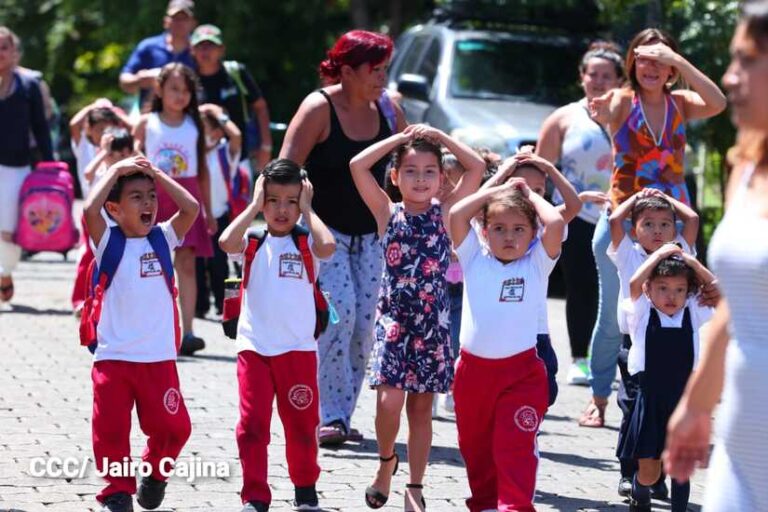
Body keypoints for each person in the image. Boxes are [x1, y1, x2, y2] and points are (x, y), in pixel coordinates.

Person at [583, 27, 726, 433]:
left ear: (671, 68)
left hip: (673, 224)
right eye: (643, 59)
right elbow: (601, 108)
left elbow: (718, 102)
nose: (651, 67)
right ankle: (598, 398)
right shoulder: (622, 100)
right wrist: (600, 112)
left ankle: (671, 398)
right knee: (614, 317)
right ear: (632, 63)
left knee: (680, 309)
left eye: (659, 60)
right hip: (624, 223)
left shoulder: (681, 103)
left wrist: (677, 60)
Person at [279, 30, 406, 446]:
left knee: (366, 325)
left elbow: (410, 162)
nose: (382, 77)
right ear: (347, 71)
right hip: (325, 233)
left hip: (373, 235)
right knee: (340, 317)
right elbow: (284, 171)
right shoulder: (318, 108)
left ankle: (341, 415)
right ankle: (327, 414)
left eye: (385, 69)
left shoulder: (389, 108)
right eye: (375, 70)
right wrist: (285, 230)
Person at [665, 3, 768, 510]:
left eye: (746, 59)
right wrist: (695, 405)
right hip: (738, 451)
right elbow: (735, 309)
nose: (730, 76)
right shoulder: (744, 168)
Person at [350, 125, 484, 511]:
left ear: (441, 179)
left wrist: (441, 137)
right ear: (395, 176)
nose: (420, 179)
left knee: (421, 410)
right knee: (388, 402)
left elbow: (475, 167)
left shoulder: (447, 213)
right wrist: (399, 139)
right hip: (393, 324)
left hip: (432, 327)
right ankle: (386, 461)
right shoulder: (386, 212)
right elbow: (358, 165)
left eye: (429, 172)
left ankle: (415, 485)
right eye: (410, 171)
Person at [218, 160, 336, 512]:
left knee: (302, 425)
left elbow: (328, 246)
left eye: (291, 201)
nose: (281, 209)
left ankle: (305, 489)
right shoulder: (253, 240)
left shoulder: (306, 242)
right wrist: (253, 206)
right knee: (252, 425)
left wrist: (309, 209)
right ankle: (255, 495)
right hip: (253, 348)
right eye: (273, 200)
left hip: (298, 350)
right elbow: (225, 241)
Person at [83, 155, 198, 512]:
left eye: (151, 196)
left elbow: (191, 208)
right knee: (110, 432)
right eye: (137, 197)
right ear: (114, 209)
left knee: (174, 428)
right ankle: (116, 492)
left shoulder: (163, 238)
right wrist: (115, 170)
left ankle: (155, 474)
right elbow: (89, 210)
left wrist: (158, 174)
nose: (148, 203)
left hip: (158, 359)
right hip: (113, 358)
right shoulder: (108, 241)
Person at [449, 176, 565, 512]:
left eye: (519, 229)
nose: (509, 236)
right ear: (485, 232)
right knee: (475, 446)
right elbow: (457, 214)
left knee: (514, 444)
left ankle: (514, 506)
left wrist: (528, 194)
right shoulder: (473, 258)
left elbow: (555, 222)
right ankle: (486, 504)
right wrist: (496, 190)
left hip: (522, 376)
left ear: (533, 233)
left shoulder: (537, 265)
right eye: (499, 228)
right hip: (472, 375)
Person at [536, 42, 625, 387]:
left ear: (619, 80)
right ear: (582, 77)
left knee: (620, 289)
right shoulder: (563, 118)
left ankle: (620, 360)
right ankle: (580, 359)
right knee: (582, 286)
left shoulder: (630, 116)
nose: (599, 81)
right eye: (593, 74)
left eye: (607, 76)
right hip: (575, 215)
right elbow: (540, 169)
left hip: (619, 214)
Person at [608, 187, 701, 496]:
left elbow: (692, 218)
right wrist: (636, 197)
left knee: (666, 414)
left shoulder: (679, 253)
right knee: (633, 410)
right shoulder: (629, 254)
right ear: (635, 229)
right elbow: (614, 220)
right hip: (635, 345)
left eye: (665, 224)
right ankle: (628, 472)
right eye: (648, 223)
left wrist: (665, 197)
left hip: (671, 347)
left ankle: (654, 476)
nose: (657, 230)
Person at [483, 149, 582, 408]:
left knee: (541, 394)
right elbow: (474, 204)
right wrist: (503, 173)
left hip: (534, 330)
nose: (528, 195)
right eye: (521, 187)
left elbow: (574, 205)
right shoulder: (490, 223)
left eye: (538, 190)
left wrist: (549, 168)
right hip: (493, 327)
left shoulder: (544, 226)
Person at [618, 245, 714, 512]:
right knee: (649, 472)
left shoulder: (692, 313)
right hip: (651, 402)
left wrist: (690, 262)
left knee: (681, 468)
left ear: (688, 292)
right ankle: (640, 492)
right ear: (649, 289)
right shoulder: (642, 313)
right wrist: (659, 255)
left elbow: (715, 288)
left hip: (683, 403)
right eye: (663, 288)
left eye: (679, 290)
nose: (671, 296)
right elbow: (634, 283)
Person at [134, 62, 216, 355]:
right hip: (153, 195)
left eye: (186, 90)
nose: (180, 95)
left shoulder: (195, 124)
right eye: (174, 89)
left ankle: (188, 331)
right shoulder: (146, 123)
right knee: (148, 263)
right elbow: (132, 159)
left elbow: (203, 169)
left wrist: (207, 210)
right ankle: (148, 328)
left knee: (187, 265)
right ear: (159, 89)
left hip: (186, 196)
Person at [0, 26, 52, 303]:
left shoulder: (29, 85)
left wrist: (50, 165)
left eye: (4, 47)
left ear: (14, 52)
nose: (0, 53)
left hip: (16, 166)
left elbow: (41, 128)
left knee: (9, 228)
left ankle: (5, 272)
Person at [190, 24, 273, 170]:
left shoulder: (236, 73)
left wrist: (266, 146)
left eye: (211, 45)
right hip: (200, 159)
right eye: (200, 46)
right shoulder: (188, 80)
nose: (205, 51)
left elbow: (260, 107)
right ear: (192, 50)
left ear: (222, 49)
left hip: (239, 158)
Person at [72, 128, 136, 315]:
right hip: (103, 231)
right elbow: (87, 173)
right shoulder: (102, 173)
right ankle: (93, 304)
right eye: (118, 153)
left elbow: (148, 165)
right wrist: (104, 152)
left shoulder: (133, 175)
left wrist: (132, 154)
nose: (123, 157)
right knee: (100, 268)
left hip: (126, 231)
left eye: (127, 152)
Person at [196, 103, 242, 317]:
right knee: (196, 264)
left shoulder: (225, 151)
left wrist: (218, 114)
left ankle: (223, 306)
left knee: (218, 263)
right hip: (195, 217)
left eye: (204, 127)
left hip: (220, 214)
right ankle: (199, 306)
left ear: (216, 132)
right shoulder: (193, 153)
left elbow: (237, 135)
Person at [119, 0, 196, 110]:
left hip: (188, 115)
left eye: (184, 19)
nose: (179, 23)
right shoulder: (148, 47)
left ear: (193, 23)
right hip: (150, 114)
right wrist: (140, 79)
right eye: (175, 18)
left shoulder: (200, 50)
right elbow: (124, 80)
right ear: (166, 21)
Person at [69, 98, 133, 197]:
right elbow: (74, 124)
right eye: (100, 129)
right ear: (89, 129)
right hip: (90, 199)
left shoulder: (116, 146)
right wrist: (93, 107)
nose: (104, 133)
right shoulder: (84, 145)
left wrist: (114, 111)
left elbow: (134, 128)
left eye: (109, 129)